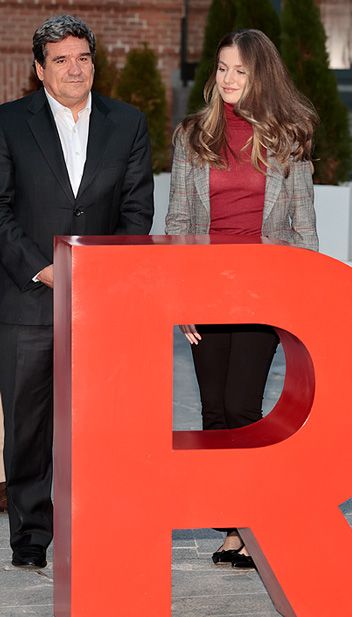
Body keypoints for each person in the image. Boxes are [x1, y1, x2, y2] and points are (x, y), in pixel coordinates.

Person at [0, 15, 154, 569]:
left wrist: (108, 276)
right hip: (29, 301)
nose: (74, 68)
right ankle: (31, 538)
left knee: (102, 425)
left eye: (83, 58)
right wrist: (43, 269)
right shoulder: (8, 123)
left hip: (103, 304)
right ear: (40, 69)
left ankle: (95, 526)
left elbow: (137, 210)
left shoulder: (128, 123)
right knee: (27, 428)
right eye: (61, 59)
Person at [165, 29, 318, 570]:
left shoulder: (290, 137)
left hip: (263, 293)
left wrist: (297, 305)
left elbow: (303, 227)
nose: (228, 81)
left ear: (262, 76)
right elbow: (178, 223)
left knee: (244, 408)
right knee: (213, 410)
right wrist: (179, 298)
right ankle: (231, 524)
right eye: (222, 69)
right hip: (207, 289)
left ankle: (252, 523)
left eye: (240, 72)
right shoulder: (192, 137)